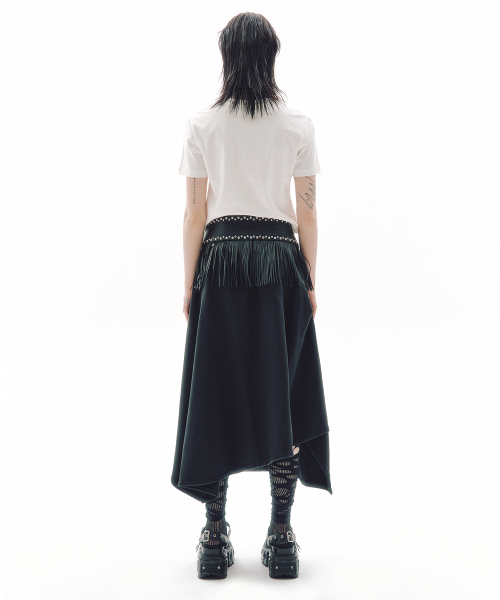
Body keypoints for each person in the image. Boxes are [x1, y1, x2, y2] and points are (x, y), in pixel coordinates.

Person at [171, 12, 332, 579]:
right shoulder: (297, 125)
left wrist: (189, 284)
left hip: (220, 263)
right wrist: (310, 279)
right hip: (280, 264)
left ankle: (214, 537)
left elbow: (194, 214)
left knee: (214, 390)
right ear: (271, 56)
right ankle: (281, 535)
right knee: (281, 391)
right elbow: (307, 214)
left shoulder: (202, 125)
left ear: (226, 57)